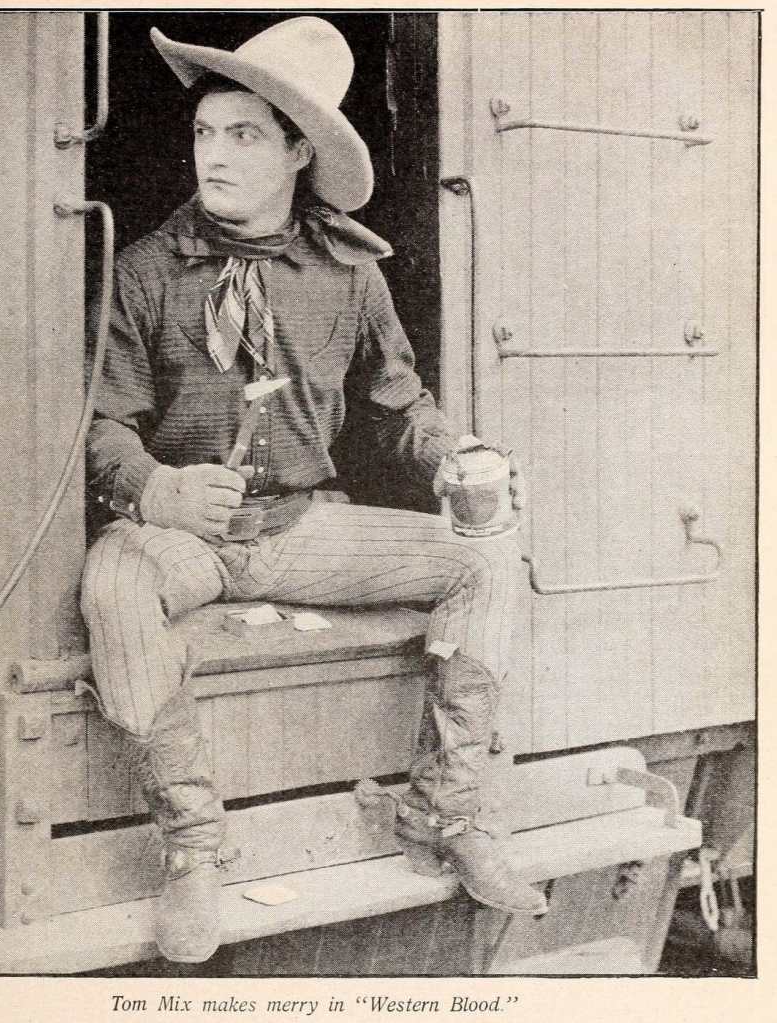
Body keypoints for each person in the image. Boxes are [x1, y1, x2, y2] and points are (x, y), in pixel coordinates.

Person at [82, 16, 547, 965]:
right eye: (204, 132)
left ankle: (445, 811)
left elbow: (397, 401)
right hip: (188, 542)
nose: (214, 154)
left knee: (486, 558)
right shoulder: (144, 273)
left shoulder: (349, 273)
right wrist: (156, 489)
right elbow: (99, 424)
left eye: (244, 135)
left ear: (300, 151)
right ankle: (193, 844)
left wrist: (455, 454)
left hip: (299, 528)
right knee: (116, 581)